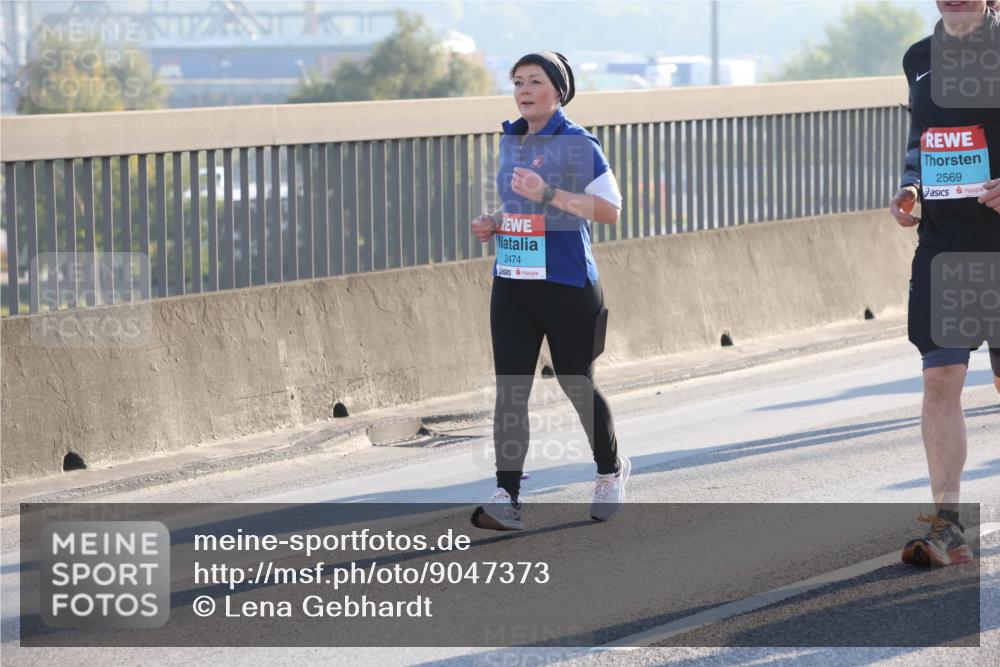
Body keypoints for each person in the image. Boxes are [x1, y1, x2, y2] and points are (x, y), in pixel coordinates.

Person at [468, 52, 629, 530]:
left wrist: (549, 194)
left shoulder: (579, 144)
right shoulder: (511, 139)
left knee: (576, 382)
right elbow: (522, 205)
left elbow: (610, 210)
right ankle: (508, 496)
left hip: (566, 283)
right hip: (514, 282)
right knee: (510, 390)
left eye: (535, 81)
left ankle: (609, 471)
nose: (523, 89)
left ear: (557, 91)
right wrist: (495, 223)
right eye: (517, 81)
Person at [889, 0, 1000, 566]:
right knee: (941, 380)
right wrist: (910, 187)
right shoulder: (919, 59)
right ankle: (948, 526)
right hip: (945, 246)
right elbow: (922, 140)